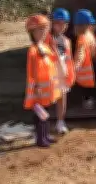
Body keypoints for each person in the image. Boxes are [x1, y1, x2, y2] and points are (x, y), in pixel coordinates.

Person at [23, 14, 62, 148]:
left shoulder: (45, 47)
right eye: (39, 30)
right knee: (40, 114)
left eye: (44, 29)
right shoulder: (33, 50)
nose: (43, 33)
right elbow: (33, 69)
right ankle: (40, 138)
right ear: (32, 33)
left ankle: (46, 135)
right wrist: (36, 87)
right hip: (39, 90)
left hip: (47, 89)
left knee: (46, 113)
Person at [45, 8, 73, 134]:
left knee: (62, 96)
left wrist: (69, 74)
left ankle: (60, 122)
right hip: (49, 72)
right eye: (58, 23)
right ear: (53, 23)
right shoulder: (47, 38)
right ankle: (43, 125)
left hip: (62, 73)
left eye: (64, 24)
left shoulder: (66, 41)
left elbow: (68, 58)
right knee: (46, 99)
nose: (61, 26)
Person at [73, 9, 96, 110]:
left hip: (86, 68)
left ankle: (88, 103)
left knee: (86, 88)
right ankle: (90, 101)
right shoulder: (90, 35)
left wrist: (75, 66)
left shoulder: (82, 38)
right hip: (93, 65)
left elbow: (80, 54)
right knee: (90, 86)